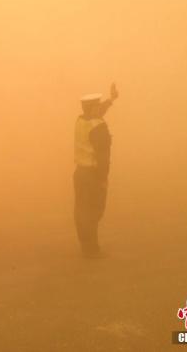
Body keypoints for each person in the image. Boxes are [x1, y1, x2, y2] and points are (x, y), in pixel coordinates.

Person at [73, 83, 118, 258]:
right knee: (94, 211)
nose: (100, 107)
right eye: (97, 105)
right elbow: (103, 157)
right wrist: (103, 179)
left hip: (80, 174)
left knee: (81, 211)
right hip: (92, 175)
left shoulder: (81, 120)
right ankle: (92, 250)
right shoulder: (98, 127)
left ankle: (86, 246)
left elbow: (98, 113)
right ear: (92, 108)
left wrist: (111, 100)